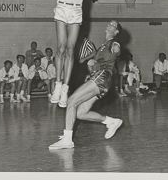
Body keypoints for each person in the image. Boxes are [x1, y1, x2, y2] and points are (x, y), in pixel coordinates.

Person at [48, 20, 123, 150]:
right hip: (101, 80)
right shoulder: (102, 46)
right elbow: (98, 61)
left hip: (102, 77)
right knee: (80, 113)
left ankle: (67, 139)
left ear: (116, 32)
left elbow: (116, 50)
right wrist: (91, 65)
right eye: (109, 23)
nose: (109, 25)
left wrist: (117, 49)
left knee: (71, 100)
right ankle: (110, 121)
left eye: (113, 25)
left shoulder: (112, 43)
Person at [51, 0, 93, 108]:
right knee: (60, 48)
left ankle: (66, 88)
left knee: (70, 49)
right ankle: (58, 86)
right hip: (62, 7)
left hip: (75, 11)